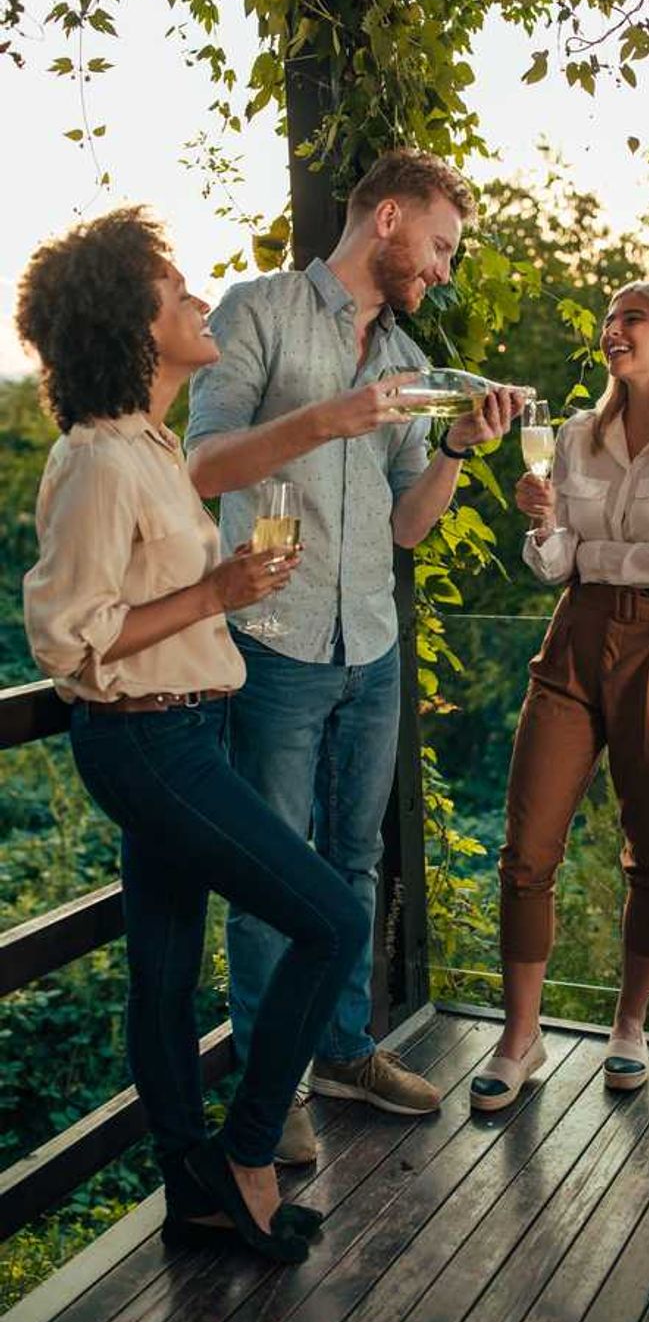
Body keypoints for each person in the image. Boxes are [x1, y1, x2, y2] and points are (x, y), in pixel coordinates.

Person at [19, 207, 372, 1263]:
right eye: (175, 291)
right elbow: (68, 639)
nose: (199, 298)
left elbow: (152, 600)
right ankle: (249, 1154)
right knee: (331, 919)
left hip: (185, 731)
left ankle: (197, 1196)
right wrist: (216, 588)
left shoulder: (153, 447)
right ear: (131, 323)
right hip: (146, 745)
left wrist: (225, 593)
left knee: (165, 978)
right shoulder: (95, 460)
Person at [186, 148, 522, 1161]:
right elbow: (203, 462)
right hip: (276, 642)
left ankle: (339, 1047)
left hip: (369, 641)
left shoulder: (409, 364)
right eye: (440, 245)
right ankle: (269, 1081)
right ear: (387, 218)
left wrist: (460, 448)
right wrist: (327, 417)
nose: (443, 269)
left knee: (355, 859)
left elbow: (410, 525)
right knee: (268, 872)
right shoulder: (257, 311)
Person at [470, 281, 649, 1111]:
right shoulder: (578, 433)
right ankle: (522, 1037)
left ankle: (629, 1026)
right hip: (573, 640)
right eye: (609, 320)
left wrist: (592, 553)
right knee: (527, 850)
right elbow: (553, 565)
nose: (613, 330)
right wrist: (547, 527)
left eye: (632, 318)